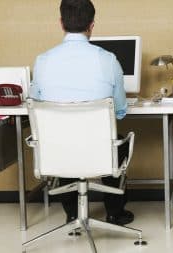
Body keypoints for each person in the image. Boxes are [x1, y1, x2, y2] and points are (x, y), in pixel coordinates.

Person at [30, 0, 134, 227]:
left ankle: (72, 213)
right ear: (92, 25)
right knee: (117, 140)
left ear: (61, 23)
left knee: (61, 139)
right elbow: (120, 111)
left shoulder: (42, 61)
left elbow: (34, 105)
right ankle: (115, 212)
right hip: (99, 151)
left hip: (57, 152)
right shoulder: (108, 60)